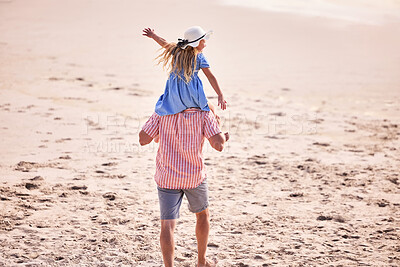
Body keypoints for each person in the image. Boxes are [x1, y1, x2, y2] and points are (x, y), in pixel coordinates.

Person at [139, 107, 228, 266]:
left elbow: (144, 139)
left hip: (167, 176)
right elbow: (218, 145)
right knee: (202, 216)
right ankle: (201, 262)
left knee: (167, 224)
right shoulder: (204, 111)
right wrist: (220, 133)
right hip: (193, 177)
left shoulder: (163, 108)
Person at [142, 26, 227, 116]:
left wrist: (153, 35)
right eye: (204, 41)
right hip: (192, 96)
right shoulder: (199, 57)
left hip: (174, 95)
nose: (205, 44)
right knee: (212, 110)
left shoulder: (176, 51)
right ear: (197, 43)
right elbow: (210, 76)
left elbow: (163, 42)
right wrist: (220, 94)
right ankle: (217, 129)